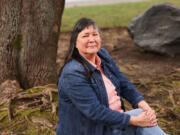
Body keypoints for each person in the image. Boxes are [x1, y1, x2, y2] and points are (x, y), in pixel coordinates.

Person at [56, 17, 167, 135]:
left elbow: (124, 84)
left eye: (95, 34)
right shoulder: (73, 73)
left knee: (144, 117)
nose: (92, 39)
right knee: (142, 120)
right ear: (75, 43)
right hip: (92, 130)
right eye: (85, 36)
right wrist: (135, 120)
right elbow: (94, 111)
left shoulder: (102, 55)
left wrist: (145, 107)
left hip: (113, 124)